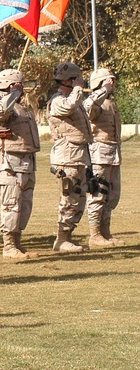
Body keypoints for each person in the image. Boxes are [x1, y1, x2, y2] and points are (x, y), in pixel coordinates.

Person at [48, 61, 106, 253]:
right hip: (67, 157)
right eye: (77, 79)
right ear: (70, 81)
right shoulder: (59, 100)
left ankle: (68, 237)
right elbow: (68, 107)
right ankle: (61, 239)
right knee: (69, 198)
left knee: (79, 199)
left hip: (80, 156)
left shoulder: (74, 98)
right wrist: (78, 89)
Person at [0, 69, 39, 261]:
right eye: (19, 85)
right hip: (8, 163)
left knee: (24, 205)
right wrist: (13, 94)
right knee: (11, 205)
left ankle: (17, 242)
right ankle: (8, 246)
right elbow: (0, 112)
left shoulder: (21, 106)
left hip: (26, 162)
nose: (23, 88)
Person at [85, 68, 124, 248]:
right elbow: (88, 108)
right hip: (99, 153)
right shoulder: (94, 101)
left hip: (113, 153)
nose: (112, 84)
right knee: (98, 194)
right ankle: (95, 234)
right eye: (108, 81)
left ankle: (105, 231)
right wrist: (103, 89)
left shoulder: (111, 102)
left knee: (112, 195)